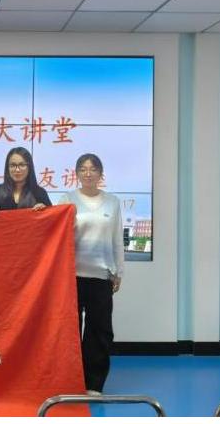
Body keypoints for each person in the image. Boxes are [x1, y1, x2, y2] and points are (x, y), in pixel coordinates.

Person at [58, 153, 123, 395]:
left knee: (100, 331)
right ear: (76, 173)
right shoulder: (67, 199)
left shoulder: (112, 202)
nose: (88, 173)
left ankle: (94, 383)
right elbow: (56, 234)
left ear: (100, 174)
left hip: (101, 276)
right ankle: (71, 379)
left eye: (93, 169)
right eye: (83, 169)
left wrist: (118, 271)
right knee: (70, 331)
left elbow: (116, 239)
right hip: (71, 276)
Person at [0, 147, 51, 213]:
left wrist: (44, 210)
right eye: (13, 165)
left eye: (22, 165)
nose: (17, 170)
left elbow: (52, 216)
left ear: (29, 167)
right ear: (7, 168)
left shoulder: (40, 193)